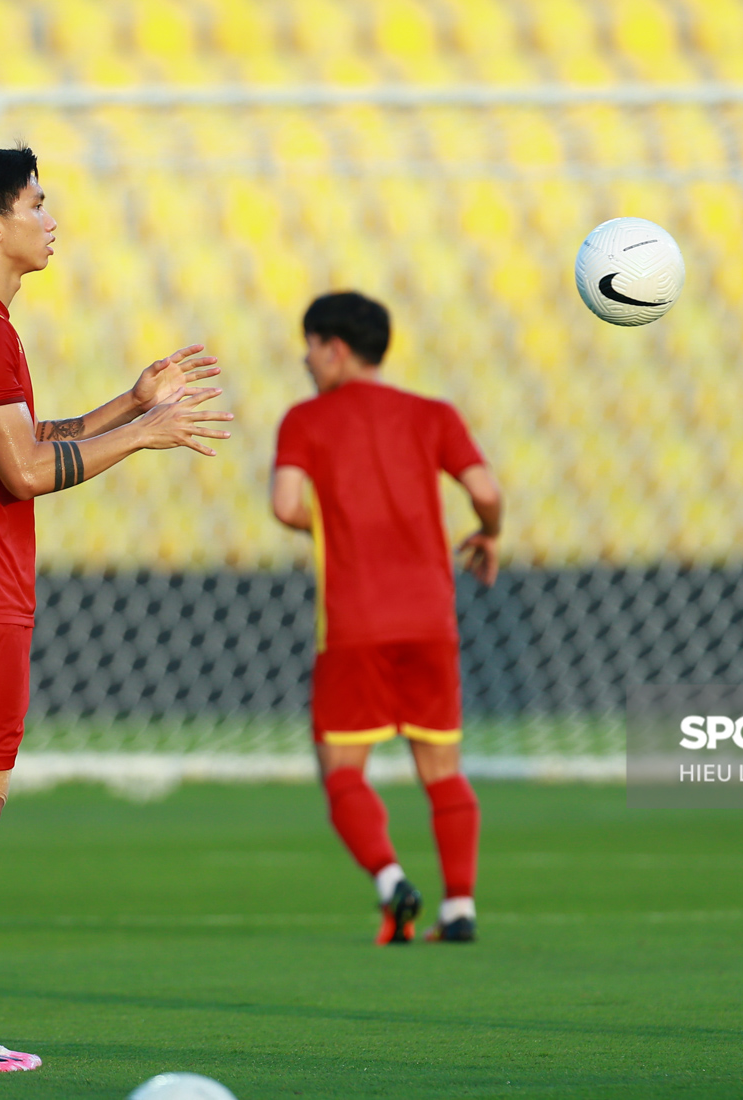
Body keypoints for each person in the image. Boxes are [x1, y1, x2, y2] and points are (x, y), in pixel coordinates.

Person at [0, 147, 232, 1073]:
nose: (54, 220)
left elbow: (21, 437)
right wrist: (148, 433)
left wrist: (130, 400)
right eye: (39, 204)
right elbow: (28, 472)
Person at [271, 291, 501, 945]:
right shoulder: (433, 414)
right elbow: (485, 491)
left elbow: (286, 506)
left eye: (310, 346)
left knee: (342, 771)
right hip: (431, 620)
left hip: (354, 624)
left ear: (335, 348)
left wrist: (342, 523)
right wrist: (489, 533)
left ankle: (389, 879)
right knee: (443, 771)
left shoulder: (304, 421)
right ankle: (460, 908)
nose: (305, 359)